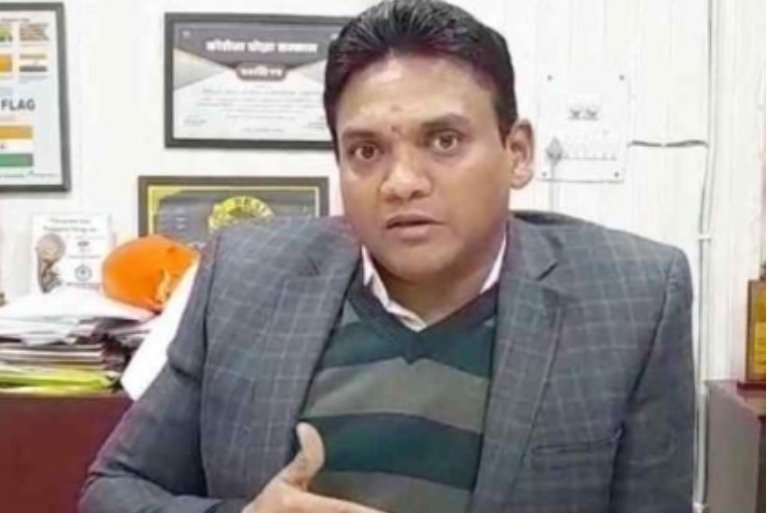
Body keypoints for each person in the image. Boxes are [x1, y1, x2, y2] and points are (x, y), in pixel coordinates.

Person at [80, 1, 694, 512]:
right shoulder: (243, 277)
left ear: (518, 153)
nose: (401, 183)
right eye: (367, 151)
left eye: (444, 140)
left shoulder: (632, 300)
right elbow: (113, 490)